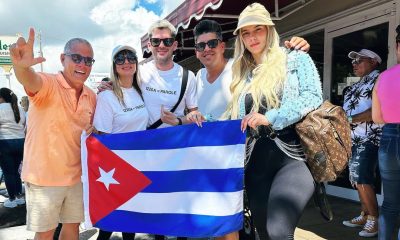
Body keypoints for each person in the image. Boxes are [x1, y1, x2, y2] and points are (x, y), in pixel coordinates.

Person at [190, 19, 310, 240]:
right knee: (240, 226)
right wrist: (197, 119)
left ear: (222, 44)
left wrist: (295, 49)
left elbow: (303, 93)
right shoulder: (198, 78)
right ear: (196, 51)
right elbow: (229, 117)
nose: (207, 49)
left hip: (259, 155)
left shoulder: (240, 69)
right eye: (201, 46)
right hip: (232, 161)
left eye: (212, 43)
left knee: (271, 230)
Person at [222, 3, 322, 239]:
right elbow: (235, 121)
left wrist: (270, 117)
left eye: (258, 29)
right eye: (245, 33)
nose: (252, 37)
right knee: (264, 232)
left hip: (292, 158)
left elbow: (312, 96)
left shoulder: (294, 58)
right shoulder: (243, 75)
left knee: (279, 232)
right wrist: (197, 120)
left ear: (269, 30)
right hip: (255, 163)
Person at [9, 28, 96, 240]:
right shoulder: (48, 83)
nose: (82, 65)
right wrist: (21, 68)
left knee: (72, 230)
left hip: (77, 177)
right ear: (63, 58)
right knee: (45, 234)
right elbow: (30, 79)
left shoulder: (91, 96)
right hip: (43, 178)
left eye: (88, 60)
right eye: (76, 58)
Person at [93, 45, 147, 240]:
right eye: (120, 59)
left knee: (129, 222)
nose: (126, 62)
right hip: (115, 169)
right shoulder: (107, 96)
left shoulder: (141, 91)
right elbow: (101, 137)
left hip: (138, 165)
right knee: (108, 225)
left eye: (130, 57)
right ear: (114, 66)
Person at [342, 49, 382, 238]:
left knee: (362, 177)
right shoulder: (356, 85)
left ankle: (374, 219)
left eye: (360, 60)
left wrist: (349, 118)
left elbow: (377, 111)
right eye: (353, 61)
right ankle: (365, 214)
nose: (354, 63)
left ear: (374, 62)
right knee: (356, 178)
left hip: (369, 137)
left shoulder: (379, 81)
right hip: (353, 138)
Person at [372, 25, 400, 240]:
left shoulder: (382, 78)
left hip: (389, 138)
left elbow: (377, 118)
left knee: (390, 204)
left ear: (398, 48)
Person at [0, 87, 26, 208]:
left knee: (8, 172)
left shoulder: (0, 108)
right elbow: (24, 125)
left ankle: (12, 199)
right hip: (21, 142)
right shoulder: (20, 108)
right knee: (16, 171)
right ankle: (19, 196)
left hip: (5, 143)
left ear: (1, 98)